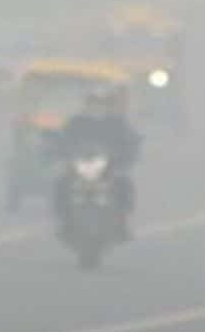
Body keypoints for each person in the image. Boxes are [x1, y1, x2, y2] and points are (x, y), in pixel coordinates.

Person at [53, 89, 141, 239]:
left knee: (123, 185)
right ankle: (64, 221)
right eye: (93, 103)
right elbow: (63, 140)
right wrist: (57, 149)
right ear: (87, 104)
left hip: (108, 168)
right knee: (62, 184)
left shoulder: (116, 123)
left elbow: (130, 141)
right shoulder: (77, 122)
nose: (96, 107)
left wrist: (128, 153)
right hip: (79, 166)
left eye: (100, 103)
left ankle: (121, 223)